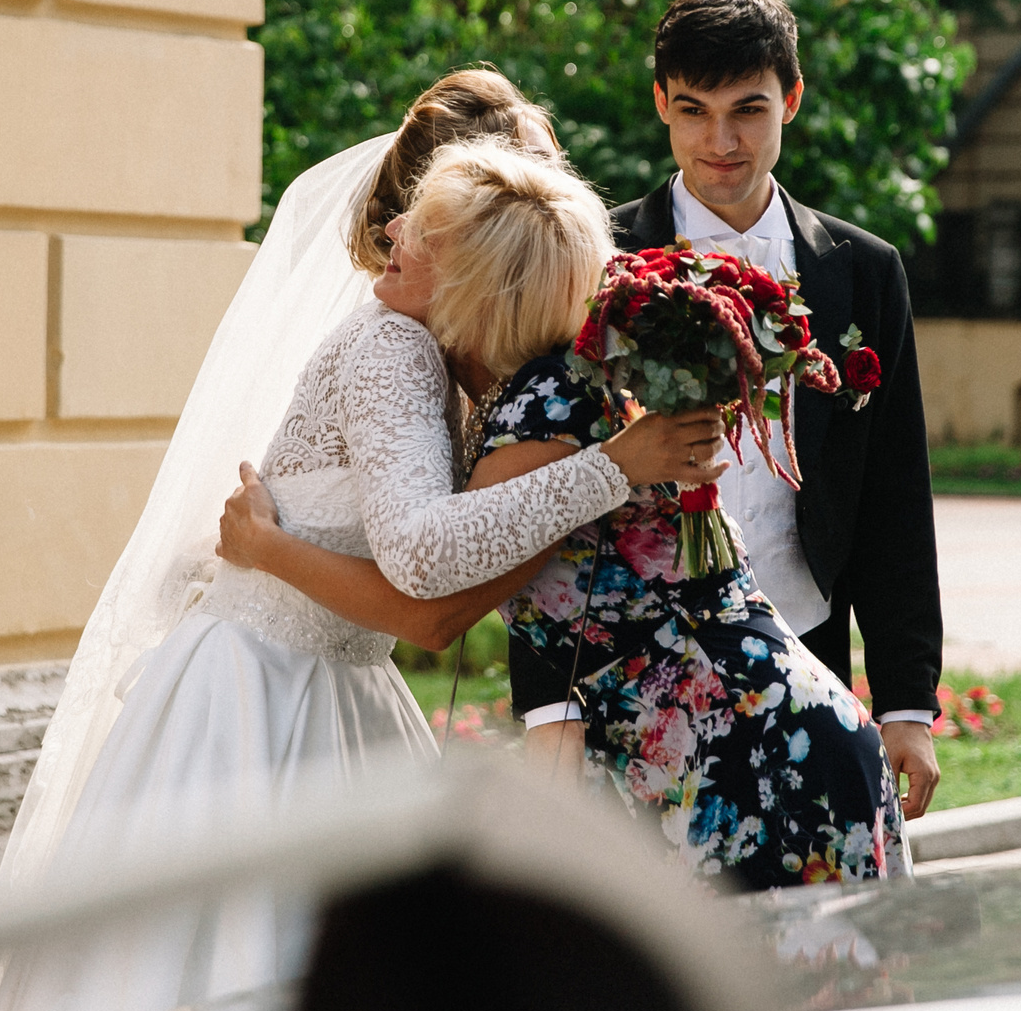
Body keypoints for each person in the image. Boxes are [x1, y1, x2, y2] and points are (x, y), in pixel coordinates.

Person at [0, 84, 723, 1011]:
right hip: (263, 695)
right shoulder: (393, 347)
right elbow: (425, 561)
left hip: (320, 678)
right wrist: (616, 463)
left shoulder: (429, 352)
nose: (394, 232)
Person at [220, 153, 903, 892]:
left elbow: (431, 599)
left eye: (428, 235)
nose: (395, 231)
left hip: (753, 756)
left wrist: (267, 547)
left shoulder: (547, 408)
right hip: (724, 746)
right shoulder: (547, 391)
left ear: (477, 285)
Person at [537, 0, 947, 818]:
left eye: (748, 111)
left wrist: (906, 703)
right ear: (660, 103)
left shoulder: (863, 273)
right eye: (693, 110)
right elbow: (544, 488)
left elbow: (894, 495)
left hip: (810, 649)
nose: (720, 142)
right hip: (632, 660)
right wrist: (555, 701)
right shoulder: (590, 260)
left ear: (792, 100)